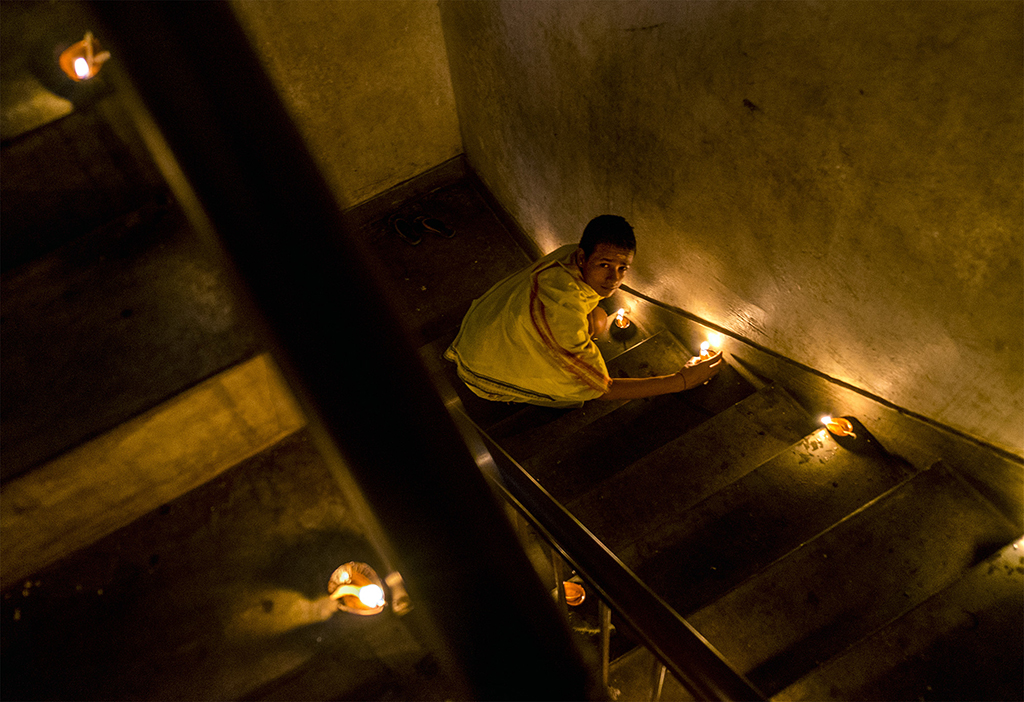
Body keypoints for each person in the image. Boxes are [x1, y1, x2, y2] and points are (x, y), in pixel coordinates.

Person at [444, 215, 723, 407]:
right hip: (483, 371)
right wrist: (682, 381)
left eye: (622, 268)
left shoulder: (567, 256)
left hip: (484, 329)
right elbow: (603, 390)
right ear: (582, 257)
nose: (614, 278)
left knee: (599, 318)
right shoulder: (562, 313)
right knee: (576, 397)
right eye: (604, 265)